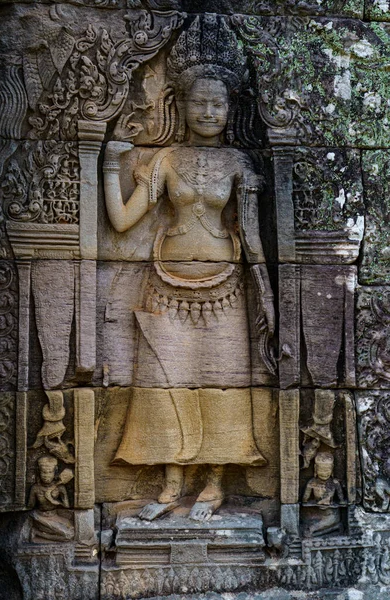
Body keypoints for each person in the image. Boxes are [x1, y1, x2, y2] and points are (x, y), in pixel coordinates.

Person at [103, 14, 275, 521]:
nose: (209, 111)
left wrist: (266, 292)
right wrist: (112, 165)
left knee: (224, 386)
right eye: (199, 102)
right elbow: (121, 221)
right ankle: (170, 485)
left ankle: (215, 485)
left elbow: (254, 239)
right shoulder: (164, 160)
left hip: (225, 290)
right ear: (181, 105)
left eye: (217, 103)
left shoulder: (241, 163)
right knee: (163, 383)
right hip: (166, 288)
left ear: (229, 109)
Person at [28, 455, 74, 542]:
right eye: (44, 472)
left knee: (72, 531)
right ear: (39, 472)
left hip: (54, 515)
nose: (46, 476)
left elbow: (66, 506)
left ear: (55, 472)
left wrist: (56, 500)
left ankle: (38, 534)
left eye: (50, 472)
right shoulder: (36, 488)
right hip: (40, 517)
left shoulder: (60, 488)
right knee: (67, 535)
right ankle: (38, 533)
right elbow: (30, 506)